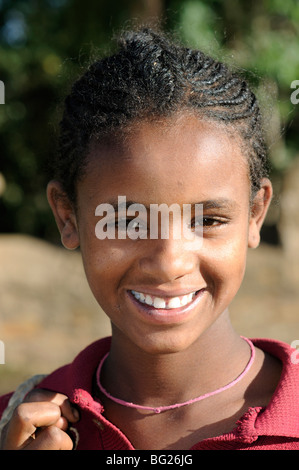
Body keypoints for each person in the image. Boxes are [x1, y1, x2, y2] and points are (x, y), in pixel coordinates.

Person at [0, 27, 298, 450]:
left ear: (254, 215)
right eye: (127, 221)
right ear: (68, 217)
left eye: (209, 220)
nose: (169, 261)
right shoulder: (16, 427)